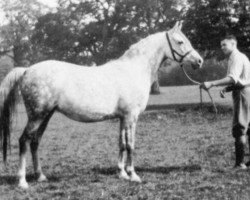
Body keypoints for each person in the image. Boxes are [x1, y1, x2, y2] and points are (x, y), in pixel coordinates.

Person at [200, 35, 250, 169]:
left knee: (240, 128)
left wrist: (212, 83)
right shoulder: (239, 57)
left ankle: (240, 164)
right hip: (246, 91)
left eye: (225, 45)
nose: (222, 47)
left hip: (243, 94)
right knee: (248, 127)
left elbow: (233, 78)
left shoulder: (237, 57)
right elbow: (239, 79)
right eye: (221, 45)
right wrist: (227, 89)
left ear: (233, 44)